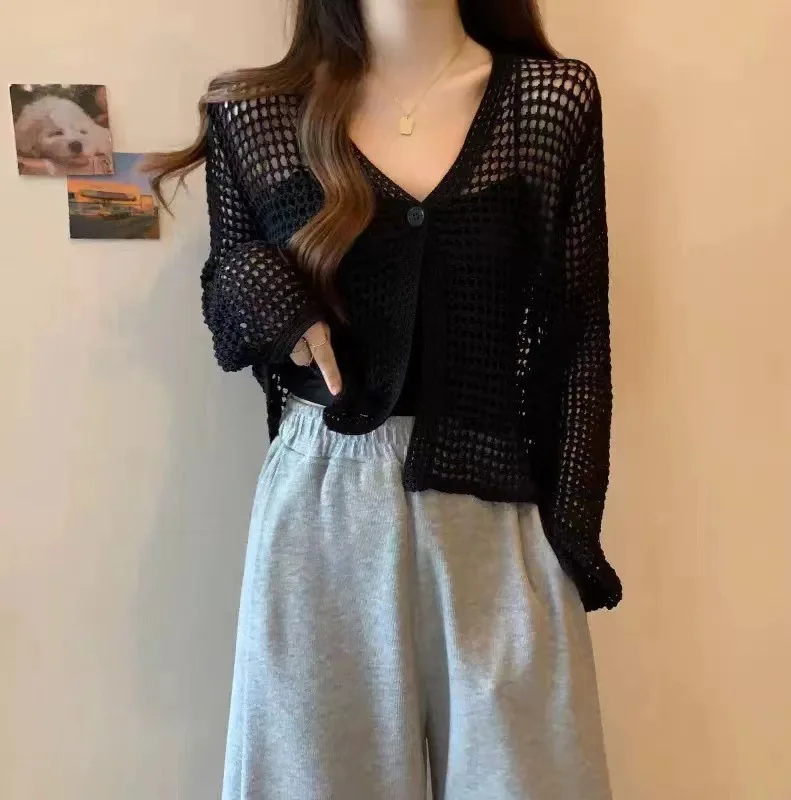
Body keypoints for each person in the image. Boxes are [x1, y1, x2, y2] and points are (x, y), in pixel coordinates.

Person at [146, 1, 622, 797]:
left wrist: (567, 535)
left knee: (530, 780)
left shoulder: (549, 99)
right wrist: (265, 287)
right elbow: (224, 280)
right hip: (324, 503)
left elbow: (578, 331)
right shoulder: (256, 113)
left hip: (496, 504)